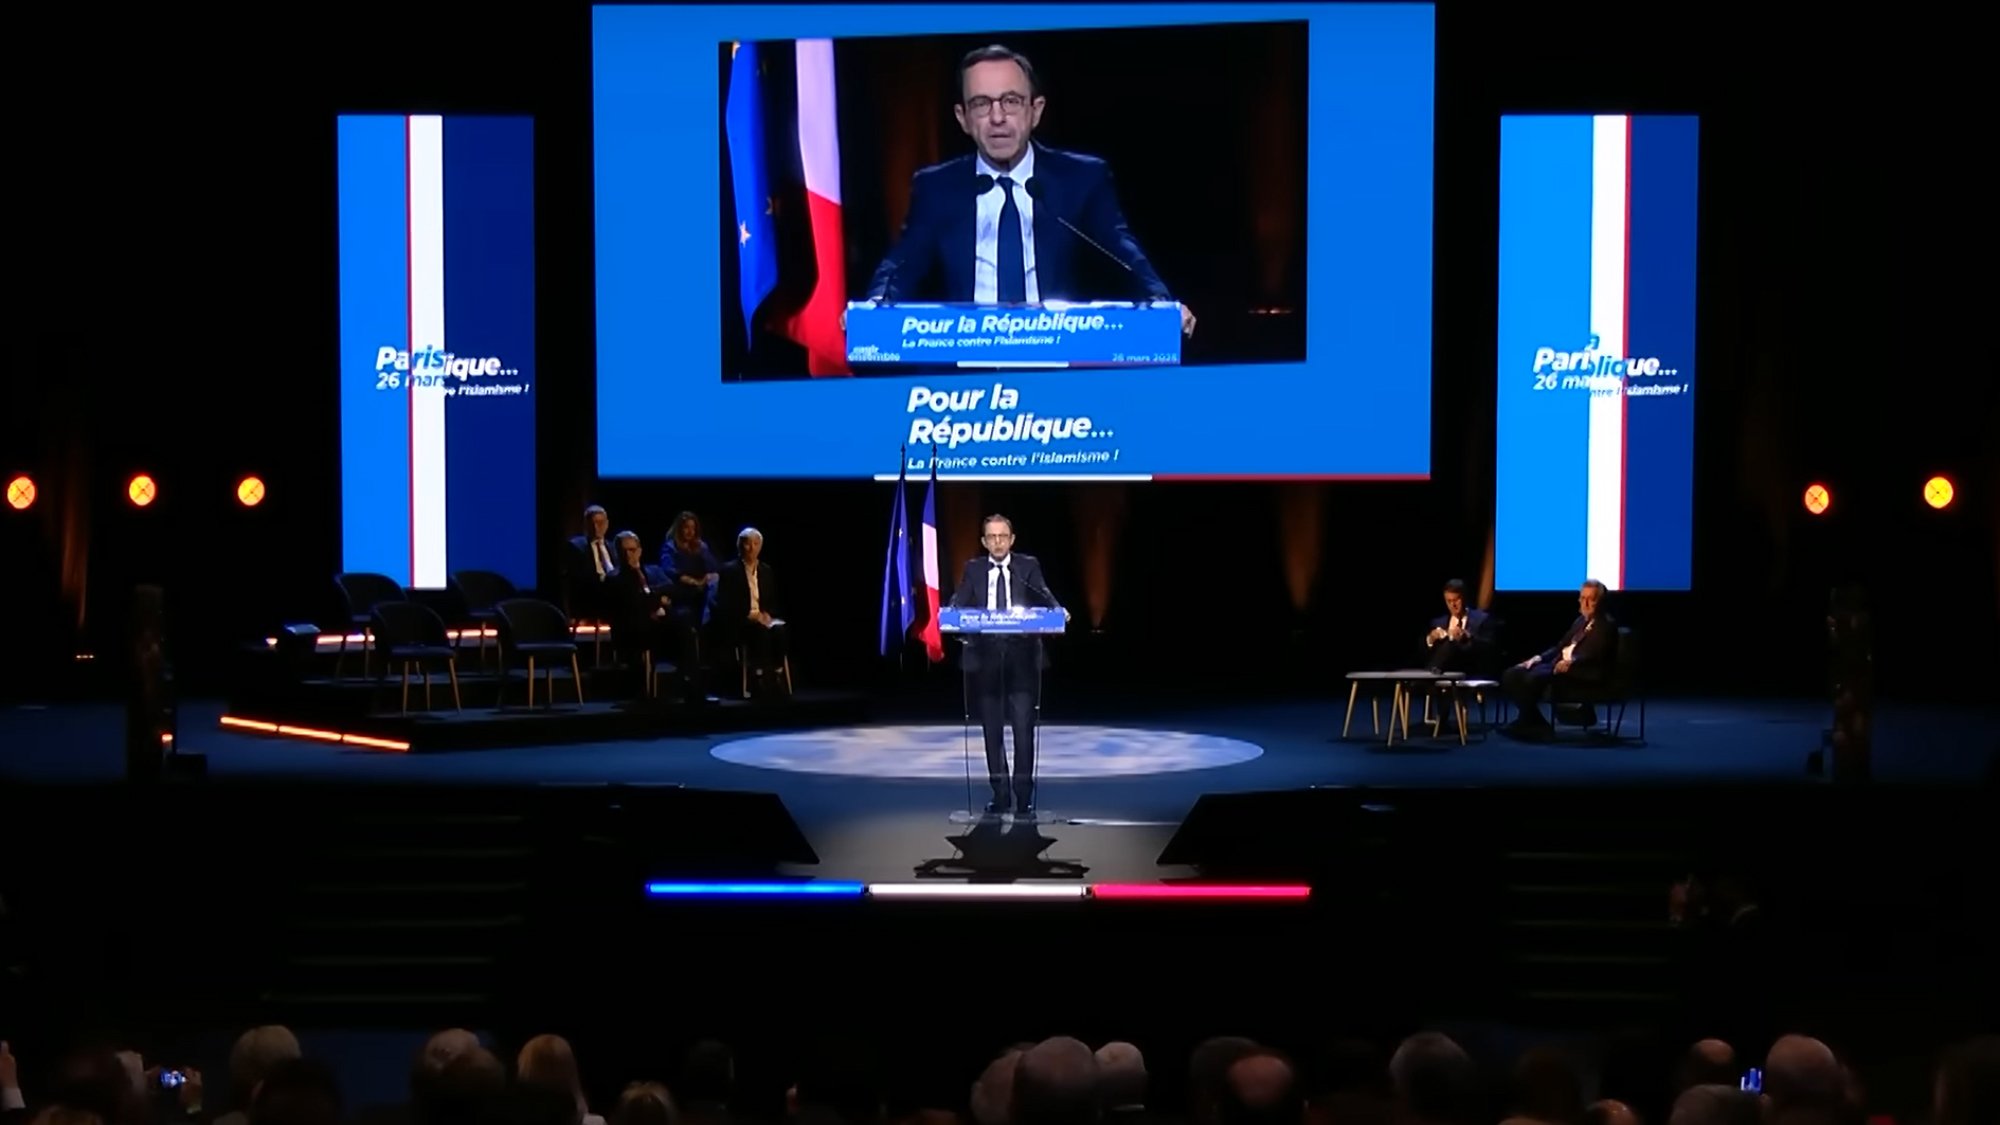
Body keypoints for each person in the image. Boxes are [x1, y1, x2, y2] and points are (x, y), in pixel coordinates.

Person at [857, 44, 1195, 338]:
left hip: (1057, 361)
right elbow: (902, 263)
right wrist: (874, 307)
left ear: (1035, 111)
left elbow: (1125, 254)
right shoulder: (937, 187)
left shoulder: (1081, 179)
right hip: (965, 365)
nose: (998, 117)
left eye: (1011, 101)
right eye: (981, 104)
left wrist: (1161, 303)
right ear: (962, 118)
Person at [948, 514, 1068, 815]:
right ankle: (999, 794)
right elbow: (960, 600)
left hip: (1022, 663)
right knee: (991, 731)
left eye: (1003, 536)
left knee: (1023, 730)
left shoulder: (1027, 566)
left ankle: (1024, 796)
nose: (998, 542)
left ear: (1012, 540)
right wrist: (948, 613)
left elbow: (1044, 593)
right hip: (985, 660)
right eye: (992, 537)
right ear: (984, 541)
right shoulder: (973, 568)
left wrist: (1057, 610)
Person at [1500, 579, 1618, 738]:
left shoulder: (1606, 625)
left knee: (1533, 678)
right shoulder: (1580, 622)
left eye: (1591, 599)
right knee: (1512, 674)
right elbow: (1559, 646)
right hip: (1557, 666)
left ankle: (1530, 724)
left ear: (1601, 602)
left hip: (1581, 672)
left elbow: (1596, 653)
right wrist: (1536, 659)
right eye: (1582, 598)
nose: (1585, 603)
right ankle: (1533, 721)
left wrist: (1573, 661)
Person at [717, 527, 789, 696]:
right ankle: (758, 676)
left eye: (756, 544)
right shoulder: (729, 571)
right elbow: (726, 604)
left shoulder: (766, 571)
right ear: (740, 546)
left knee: (780, 631)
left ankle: (777, 675)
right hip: (741, 621)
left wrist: (767, 614)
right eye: (747, 544)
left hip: (762, 618)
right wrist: (752, 616)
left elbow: (772, 601)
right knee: (760, 632)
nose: (751, 548)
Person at [1424, 578, 1496, 674]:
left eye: (1456, 600)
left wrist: (1467, 637)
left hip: (1468, 668)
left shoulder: (1481, 619)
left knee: (1451, 644)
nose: (1453, 605)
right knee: (1447, 644)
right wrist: (1430, 639)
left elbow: (1490, 647)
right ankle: (1432, 674)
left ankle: (1429, 677)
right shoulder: (1437, 622)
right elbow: (1423, 653)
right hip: (1445, 670)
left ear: (1465, 598)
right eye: (1449, 601)